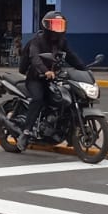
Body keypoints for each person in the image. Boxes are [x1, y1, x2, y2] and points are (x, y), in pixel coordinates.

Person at [18, 11, 83, 150]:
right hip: (36, 77)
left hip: (53, 78)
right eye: (55, 25)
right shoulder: (37, 40)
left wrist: (84, 68)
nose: (58, 29)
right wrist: (45, 71)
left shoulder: (61, 42)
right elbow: (35, 58)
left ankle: (67, 131)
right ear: (47, 26)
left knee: (67, 98)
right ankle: (26, 132)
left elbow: (70, 56)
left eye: (60, 25)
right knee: (38, 98)